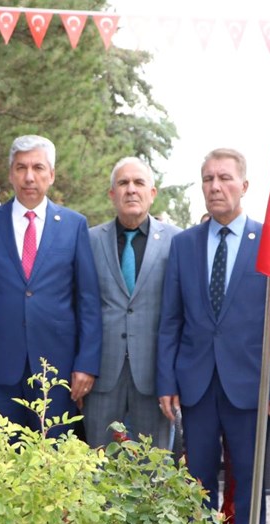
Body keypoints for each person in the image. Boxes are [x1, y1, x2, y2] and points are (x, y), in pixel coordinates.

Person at [156, 148, 270, 524]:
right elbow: (171, 318)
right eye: (208, 179)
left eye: (225, 178)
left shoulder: (269, 242)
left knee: (249, 478)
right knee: (196, 478)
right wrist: (167, 381)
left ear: (244, 186)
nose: (216, 186)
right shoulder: (185, 244)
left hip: (251, 384)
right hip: (196, 381)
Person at [0, 135, 101, 435]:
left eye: (38, 167)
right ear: (10, 173)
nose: (29, 176)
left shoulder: (74, 225)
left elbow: (88, 300)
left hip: (56, 372)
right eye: (21, 168)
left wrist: (86, 363)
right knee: (3, 464)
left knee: (53, 463)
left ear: (52, 174)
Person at [84, 157, 180, 449]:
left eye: (139, 183)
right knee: (98, 466)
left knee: (154, 469)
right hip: (102, 375)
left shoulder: (177, 241)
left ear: (152, 193)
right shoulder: (89, 240)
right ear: (112, 194)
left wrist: (173, 376)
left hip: (154, 377)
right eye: (123, 183)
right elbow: (81, 307)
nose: (131, 190)